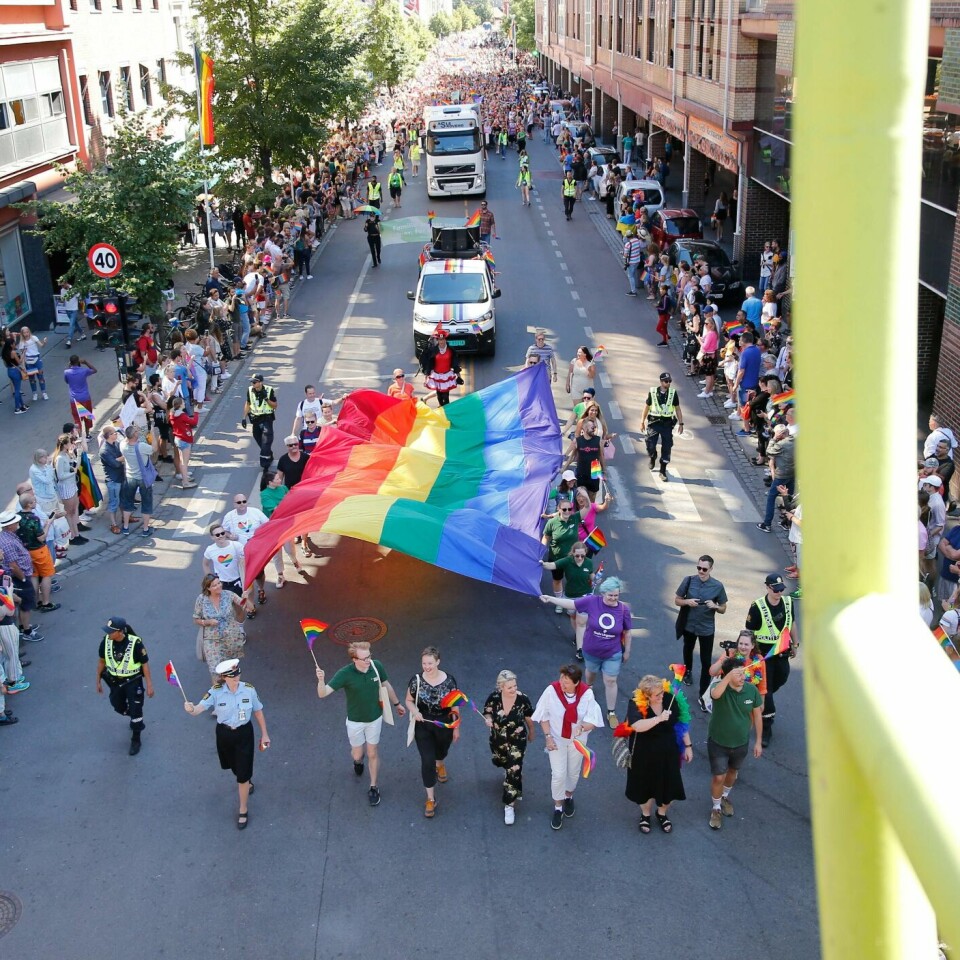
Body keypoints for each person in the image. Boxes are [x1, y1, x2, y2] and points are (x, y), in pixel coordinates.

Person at [315, 640, 405, 808]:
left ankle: (373, 786)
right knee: (358, 754)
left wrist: (397, 704)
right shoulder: (345, 674)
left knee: (372, 752)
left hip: (374, 718)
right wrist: (321, 680)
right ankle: (357, 761)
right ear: (354, 659)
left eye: (369, 656)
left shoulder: (376, 666)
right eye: (364, 658)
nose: (368, 661)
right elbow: (323, 693)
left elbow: (386, 685)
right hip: (355, 721)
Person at [183, 658, 270, 830]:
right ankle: (245, 778)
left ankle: (243, 809)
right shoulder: (215, 692)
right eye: (232, 676)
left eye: (238, 674)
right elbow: (199, 708)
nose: (237, 678)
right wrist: (191, 709)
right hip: (224, 734)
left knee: (242, 775)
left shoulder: (249, 690)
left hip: (244, 733)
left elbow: (258, 711)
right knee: (233, 767)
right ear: (224, 677)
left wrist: (265, 734)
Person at [544, 577, 631, 725]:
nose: (613, 598)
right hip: (591, 650)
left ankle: (611, 712)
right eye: (610, 595)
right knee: (591, 672)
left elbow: (627, 632)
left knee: (610, 680)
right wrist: (551, 599)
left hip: (612, 653)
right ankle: (589, 686)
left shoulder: (623, 609)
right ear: (603, 593)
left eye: (616, 595)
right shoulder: (592, 601)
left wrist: (627, 651)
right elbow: (571, 603)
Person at [532, 663, 603, 831]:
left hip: (577, 741)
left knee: (573, 772)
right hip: (556, 740)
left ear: (576, 683)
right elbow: (543, 715)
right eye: (561, 679)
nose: (562, 684)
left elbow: (593, 718)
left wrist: (583, 727)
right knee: (558, 774)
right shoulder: (551, 691)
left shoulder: (587, 694)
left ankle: (568, 796)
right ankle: (558, 807)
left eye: (566, 682)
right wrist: (548, 737)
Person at [622, 675, 691, 834]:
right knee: (644, 786)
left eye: (661, 692)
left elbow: (681, 723)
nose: (661, 696)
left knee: (670, 785)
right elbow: (637, 726)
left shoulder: (669, 698)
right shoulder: (636, 703)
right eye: (657, 695)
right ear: (646, 696)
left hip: (668, 751)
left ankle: (662, 813)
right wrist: (659, 719)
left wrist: (688, 745)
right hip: (643, 753)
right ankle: (645, 814)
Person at [707, 658, 763, 830]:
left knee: (733, 773)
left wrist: (758, 741)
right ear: (729, 675)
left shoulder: (751, 690)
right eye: (738, 673)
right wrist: (726, 677)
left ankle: (724, 796)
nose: (742, 676)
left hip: (740, 743)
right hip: (718, 742)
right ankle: (716, 808)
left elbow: (757, 715)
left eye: (743, 672)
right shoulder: (719, 688)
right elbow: (715, 695)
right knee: (718, 776)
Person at [404, 646, 460, 819]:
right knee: (427, 760)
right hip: (424, 723)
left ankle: (440, 764)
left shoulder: (450, 681)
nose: (426, 666)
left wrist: (456, 726)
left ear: (438, 662)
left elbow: (455, 705)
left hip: (444, 722)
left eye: (430, 663)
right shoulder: (416, 680)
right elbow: (408, 700)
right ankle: (430, 798)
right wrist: (415, 712)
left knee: (441, 751)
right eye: (424, 663)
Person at [745, 573, 797, 746]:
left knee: (781, 678)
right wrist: (748, 653)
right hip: (763, 657)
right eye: (775, 590)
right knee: (766, 692)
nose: (779, 593)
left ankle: (761, 698)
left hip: (782, 654)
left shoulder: (788, 603)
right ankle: (766, 727)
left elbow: (792, 623)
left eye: (781, 589)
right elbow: (750, 632)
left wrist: (795, 644)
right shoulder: (757, 606)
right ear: (767, 587)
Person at [96, 616, 154, 756]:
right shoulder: (105, 642)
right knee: (117, 706)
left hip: (133, 682)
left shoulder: (136, 644)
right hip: (115, 682)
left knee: (136, 710)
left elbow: (145, 664)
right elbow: (102, 662)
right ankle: (132, 715)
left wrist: (149, 684)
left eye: (111, 631)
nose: (108, 634)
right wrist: (97, 680)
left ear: (120, 632)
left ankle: (136, 738)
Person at [483, 669, 535, 825]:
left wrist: (532, 731)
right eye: (509, 687)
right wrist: (488, 719)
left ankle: (509, 804)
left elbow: (528, 718)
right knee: (503, 762)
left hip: (517, 739)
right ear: (501, 687)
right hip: (498, 739)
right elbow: (487, 712)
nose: (513, 689)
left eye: (515, 686)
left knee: (513, 769)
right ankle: (513, 777)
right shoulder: (494, 697)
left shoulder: (523, 699)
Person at [674, 555, 728, 699]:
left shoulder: (717, 586)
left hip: (706, 628)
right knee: (688, 648)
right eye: (699, 568)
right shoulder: (689, 580)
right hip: (689, 625)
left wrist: (715, 606)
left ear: (711, 569)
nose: (701, 571)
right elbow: (677, 600)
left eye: (704, 569)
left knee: (706, 660)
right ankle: (688, 671)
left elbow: (723, 608)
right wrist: (687, 602)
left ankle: (703, 693)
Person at [540, 541, 594, 659]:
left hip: (585, 596)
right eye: (577, 556)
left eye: (582, 556)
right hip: (570, 596)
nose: (580, 558)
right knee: (573, 616)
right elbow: (552, 565)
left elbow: (591, 576)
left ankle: (580, 649)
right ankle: (578, 635)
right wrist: (543, 563)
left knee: (581, 623)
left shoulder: (589, 563)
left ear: (586, 554)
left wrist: (595, 578)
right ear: (572, 554)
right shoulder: (567, 561)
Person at [193, 574, 250, 679]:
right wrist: (207, 622)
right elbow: (196, 619)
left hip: (230, 638)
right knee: (216, 672)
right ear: (208, 588)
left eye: (219, 583)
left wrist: (246, 598)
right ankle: (218, 693)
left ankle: (230, 692)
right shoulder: (201, 599)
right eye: (214, 585)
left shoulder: (228, 594)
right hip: (212, 640)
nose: (218, 586)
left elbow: (246, 606)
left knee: (230, 671)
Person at [222, 493, 270, 602]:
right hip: (240, 552)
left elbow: (268, 524)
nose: (242, 504)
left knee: (259, 573)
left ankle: (261, 589)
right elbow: (224, 531)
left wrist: (260, 536)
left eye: (244, 501)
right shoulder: (229, 516)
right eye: (239, 502)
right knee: (245, 577)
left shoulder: (255, 512)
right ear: (234, 504)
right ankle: (250, 605)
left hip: (256, 550)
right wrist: (230, 536)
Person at [640, 372, 684, 481]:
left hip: (667, 424)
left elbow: (677, 408)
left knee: (667, 447)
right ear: (661, 381)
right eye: (666, 381)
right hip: (654, 423)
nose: (668, 383)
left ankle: (663, 470)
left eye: (669, 381)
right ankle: (653, 456)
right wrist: (642, 421)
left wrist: (681, 423)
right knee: (650, 444)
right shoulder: (653, 391)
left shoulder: (673, 393)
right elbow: (647, 406)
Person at [119, 425, 156, 537]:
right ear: (135, 435)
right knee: (146, 503)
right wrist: (153, 433)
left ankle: (125, 527)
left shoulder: (122, 446)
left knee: (128, 503)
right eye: (136, 431)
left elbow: (126, 439)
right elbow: (155, 449)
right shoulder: (142, 447)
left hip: (130, 477)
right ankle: (145, 529)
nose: (138, 431)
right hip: (143, 479)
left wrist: (130, 432)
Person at [243, 374, 278, 470]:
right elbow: (248, 403)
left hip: (267, 418)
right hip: (255, 419)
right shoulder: (250, 390)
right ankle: (268, 454)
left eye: (254, 382)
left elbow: (275, 405)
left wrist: (266, 399)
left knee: (267, 439)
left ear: (260, 382)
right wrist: (244, 417)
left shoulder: (269, 390)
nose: (252, 384)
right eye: (252, 382)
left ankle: (265, 462)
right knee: (258, 438)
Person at [420, 331, 462, 407]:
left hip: (447, 375)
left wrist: (458, 375)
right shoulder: (433, 350)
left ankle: (446, 412)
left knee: (446, 397)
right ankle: (441, 409)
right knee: (439, 396)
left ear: (445, 340)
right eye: (439, 339)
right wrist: (427, 374)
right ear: (437, 340)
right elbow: (429, 362)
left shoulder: (451, 350)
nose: (441, 341)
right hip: (437, 376)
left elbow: (455, 363)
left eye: (443, 339)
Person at [63, 356, 96, 431]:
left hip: (74, 399)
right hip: (85, 397)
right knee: (87, 417)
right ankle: (88, 434)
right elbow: (94, 370)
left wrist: (69, 366)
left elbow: (67, 381)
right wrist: (86, 362)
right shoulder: (83, 371)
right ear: (78, 362)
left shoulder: (66, 372)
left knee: (77, 418)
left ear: (70, 362)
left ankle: (80, 435)